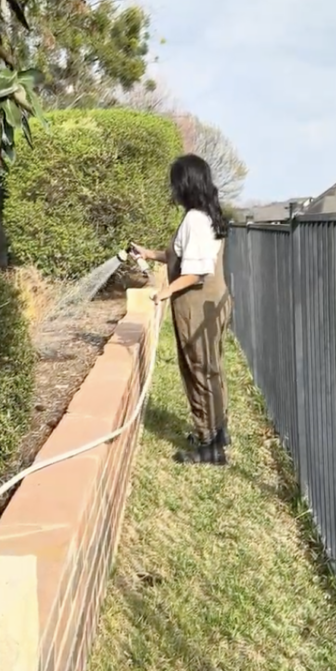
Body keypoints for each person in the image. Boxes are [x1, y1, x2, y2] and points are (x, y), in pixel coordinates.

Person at [132, 154, 232, 465]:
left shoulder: (194, 220)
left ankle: (208, 445)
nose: (172, 188)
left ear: (185, 184)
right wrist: (148, 253)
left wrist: (163, 293)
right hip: (213, 301)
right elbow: (181, 255)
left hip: (197, 304)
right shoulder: (205, 215)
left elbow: (195, 272)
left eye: (175, 182)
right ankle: (218, 432)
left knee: (199, 371)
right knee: (211, 368)